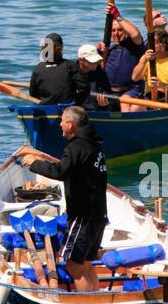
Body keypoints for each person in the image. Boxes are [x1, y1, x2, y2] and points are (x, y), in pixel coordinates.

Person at [22, 105, 108, 292]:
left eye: (62, 121)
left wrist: (34, 164)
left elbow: (60, 171)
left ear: (70, 124)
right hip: (98, 214)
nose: (59, 124)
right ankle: (94, 298)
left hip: (82, 216)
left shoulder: (76, 147)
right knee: (85, 262)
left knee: (73, 264)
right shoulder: (94, 144)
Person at [129, 28, 168, 107]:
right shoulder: (146, 58)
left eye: (153, 43)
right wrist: (144, 60)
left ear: (163, 45)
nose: (149, 46)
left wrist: (163, 86)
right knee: (135, 107)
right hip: (151, 97)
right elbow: (134, 77)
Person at [100, 7, 145, 105]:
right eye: (113, 31)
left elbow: (135, 34)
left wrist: (118, 16)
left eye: (120, 30)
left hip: (130, 92)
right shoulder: (108, 50)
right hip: (110, 93)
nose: (116, 34)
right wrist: (100, 53)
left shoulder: (134, 46)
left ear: (125, 31)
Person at [28, 33, 89, 106]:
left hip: (46, 109)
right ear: (61, 48)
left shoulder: (37, 69)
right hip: (67, 108)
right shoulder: (70, 66)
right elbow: (85, 88)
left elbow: (33, 94)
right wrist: (76, 104)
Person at [76, 43, 113, 107]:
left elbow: (106, 92)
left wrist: (104, 103)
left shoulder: (100, 72)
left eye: (96, 60)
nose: (95, 63)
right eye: (92, 61)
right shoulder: (72, 72)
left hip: (95, 109)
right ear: (81, 60)